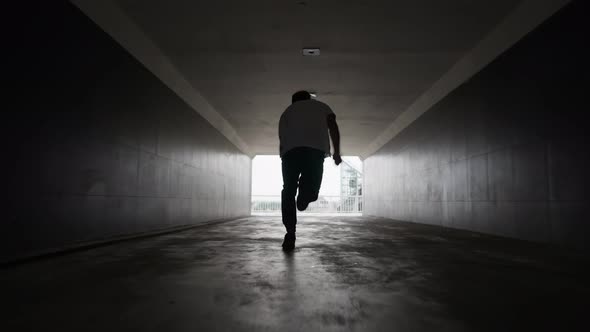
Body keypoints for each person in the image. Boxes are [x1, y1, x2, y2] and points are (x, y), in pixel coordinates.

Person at [278, 90, 341, 251]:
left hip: (290, 153)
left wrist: (284, 157)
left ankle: (290, 233)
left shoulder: (286, 112)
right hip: (315, 151)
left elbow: (282, 138)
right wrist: (337, 152)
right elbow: (333, 126)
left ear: (293, 101)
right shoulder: (322, 106)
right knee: (311, 190)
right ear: (308, 99)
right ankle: (304, 197)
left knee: (288, 190)